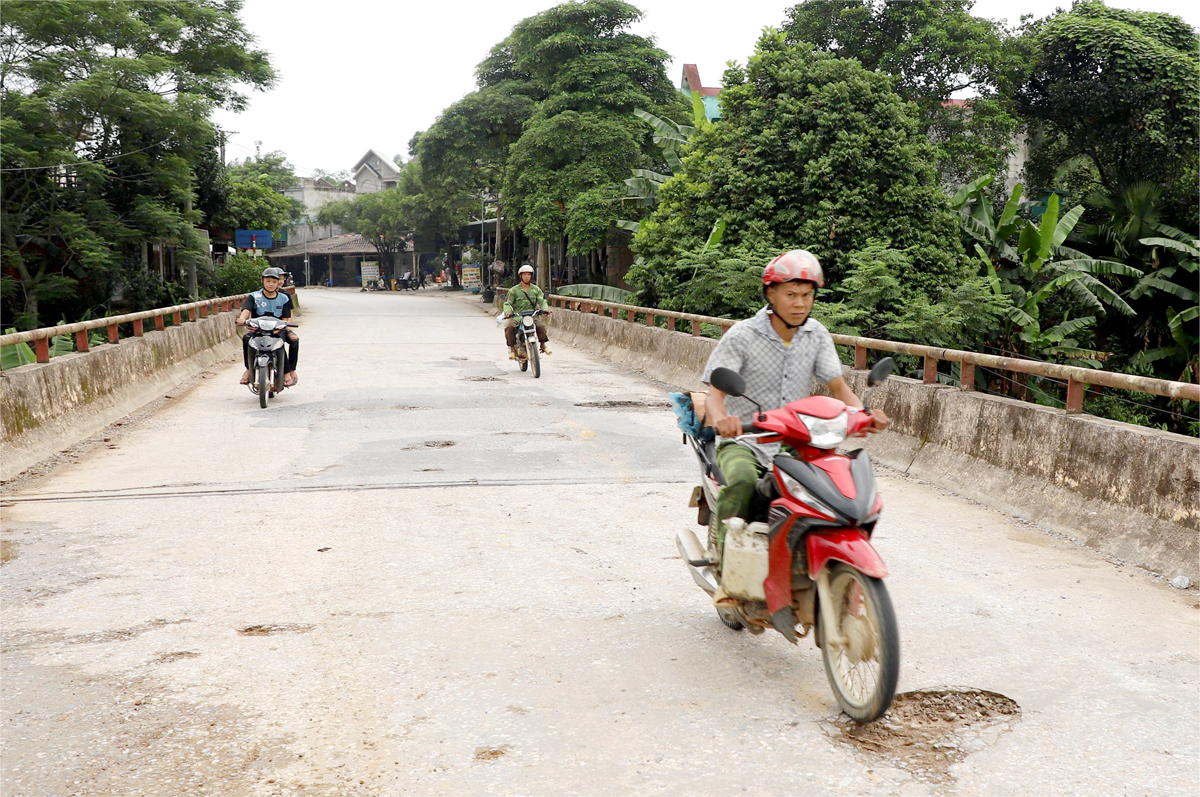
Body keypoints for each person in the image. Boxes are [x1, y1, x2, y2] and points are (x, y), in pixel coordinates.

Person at [702, 249, 889, 557]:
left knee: (832, 487)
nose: (800, 303)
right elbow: (714, 395)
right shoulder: (742, 335)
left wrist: (864, 415)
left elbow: (839, 388)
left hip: (797, 440)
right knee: (743, 481)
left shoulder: (816, 335)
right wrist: (724, 420)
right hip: (746, 440)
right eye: (791, 294)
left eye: (806, 295)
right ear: (771, 294)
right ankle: (726, 560)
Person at [238, 267, 299, 387]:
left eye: (274, 282)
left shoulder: (284, 298)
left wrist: (280, 327)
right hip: (258, 329)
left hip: (277, 329)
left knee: (289, 341)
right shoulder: (254, 296)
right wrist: (242, 319)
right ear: (262, 281)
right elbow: (246, 309)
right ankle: (249, 368)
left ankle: (288, 371)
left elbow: (286, 317)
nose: (271, 284)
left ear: (278, 283)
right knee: (246, 339)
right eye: (268, 281)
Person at [502, 264, 551, 359]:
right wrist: (508, 312)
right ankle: (512, 349)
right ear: (520, 276)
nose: (527, 276)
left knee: (541, 326)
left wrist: (545, 309)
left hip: (532, 315)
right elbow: (507, 303)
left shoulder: (536, 289)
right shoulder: (514, 290)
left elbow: (542, 300)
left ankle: (542, 345)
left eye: (529, 274)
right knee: (510, 327)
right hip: (518, 316)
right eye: (525, 274)